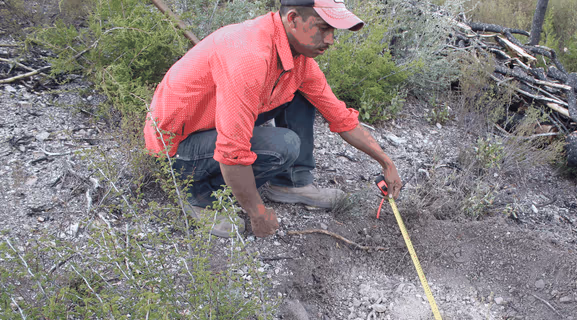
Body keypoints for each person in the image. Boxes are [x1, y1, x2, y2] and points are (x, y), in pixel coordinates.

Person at [144, 0, 402, 238]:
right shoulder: (249, 56)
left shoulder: (298, 57)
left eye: (334, 31)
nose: (331, 39)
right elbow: (232, 153)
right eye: (323, 28)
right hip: (177, 148)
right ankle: (198, 194)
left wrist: (386, 161)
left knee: (302, 94)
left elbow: (340, 116)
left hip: (210, 125)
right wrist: (257, 213)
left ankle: (290, 183)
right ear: (292, 19)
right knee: (284, 144)